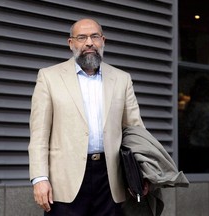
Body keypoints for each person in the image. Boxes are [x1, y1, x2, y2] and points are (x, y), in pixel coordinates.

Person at [28, 18, 145, 216]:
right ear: (71, 43)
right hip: (64, 183)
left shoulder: (122, 79)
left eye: (95, 36)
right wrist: (40, 178)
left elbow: (135, 131)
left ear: (103, 40)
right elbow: (39, 135)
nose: (89, 42)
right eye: (81, 37)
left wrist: (143, 172)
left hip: (111, 181)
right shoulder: (49, 77)